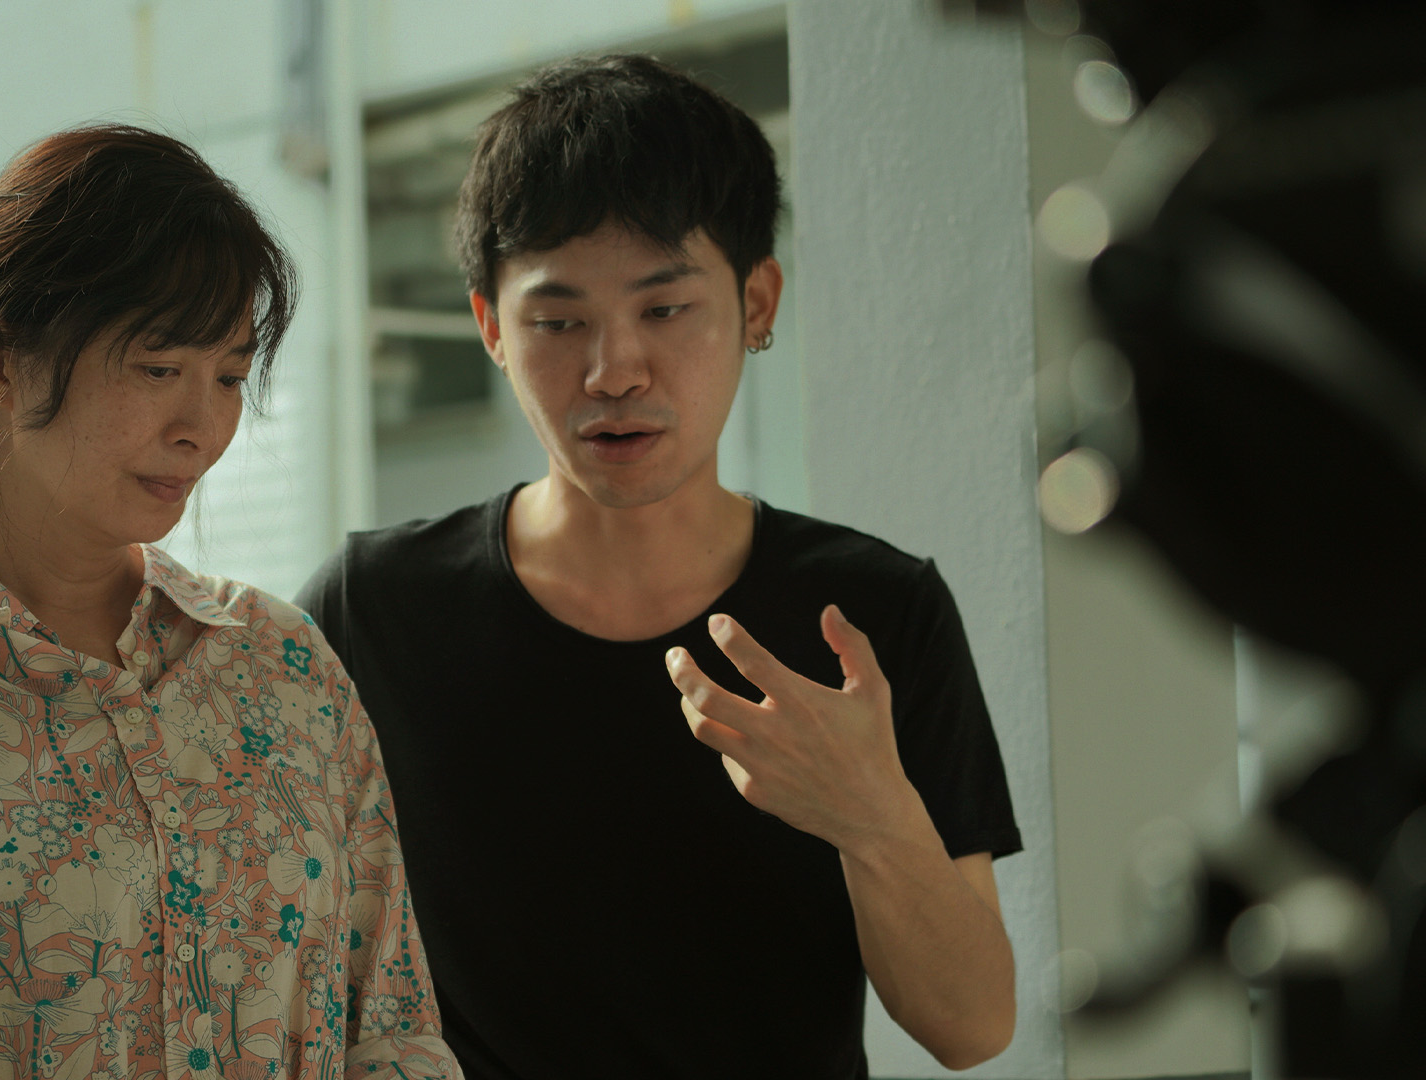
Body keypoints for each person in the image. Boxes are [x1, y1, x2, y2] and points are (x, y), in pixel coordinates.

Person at [296, 56, 1020, 1077]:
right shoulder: (373, 612)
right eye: (559, 322)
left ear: (757, 302)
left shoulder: (869, 614)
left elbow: (972, 1028)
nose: (614, 371)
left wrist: (872, 815)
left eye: (665, 309)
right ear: (492, 326)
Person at [0, 124, 459, 1080]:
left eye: (229, 377)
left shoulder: (283, 666)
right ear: (3, 362)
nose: (200, 427)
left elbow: (392, 1027)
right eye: (158, 369)